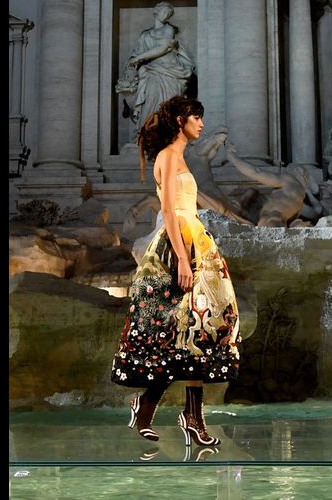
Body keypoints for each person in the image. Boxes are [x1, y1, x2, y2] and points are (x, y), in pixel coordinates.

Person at [111, 96, 241, 447]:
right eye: (197, 118)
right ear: (181, 120)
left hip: (195, 242)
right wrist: (183, 260)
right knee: (178, 331)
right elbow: (168, 211)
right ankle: (150, 408)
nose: (201, 124)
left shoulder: (182, 157)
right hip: (176, 248)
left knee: (197, 331)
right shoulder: (168, 156)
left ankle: (192, 418)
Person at [116, 2, 196, 148]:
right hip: (151, 72)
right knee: (150, 101)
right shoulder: (144, 35)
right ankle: (148, 134)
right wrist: (132, 65)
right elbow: (136, 54)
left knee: (170, 104)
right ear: (156, 11)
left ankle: (171, 137)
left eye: (169, 14)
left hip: (171, 72)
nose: (166, 15)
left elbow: (163, 47)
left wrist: (139, 58)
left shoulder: (168, 29)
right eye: (164, 12)